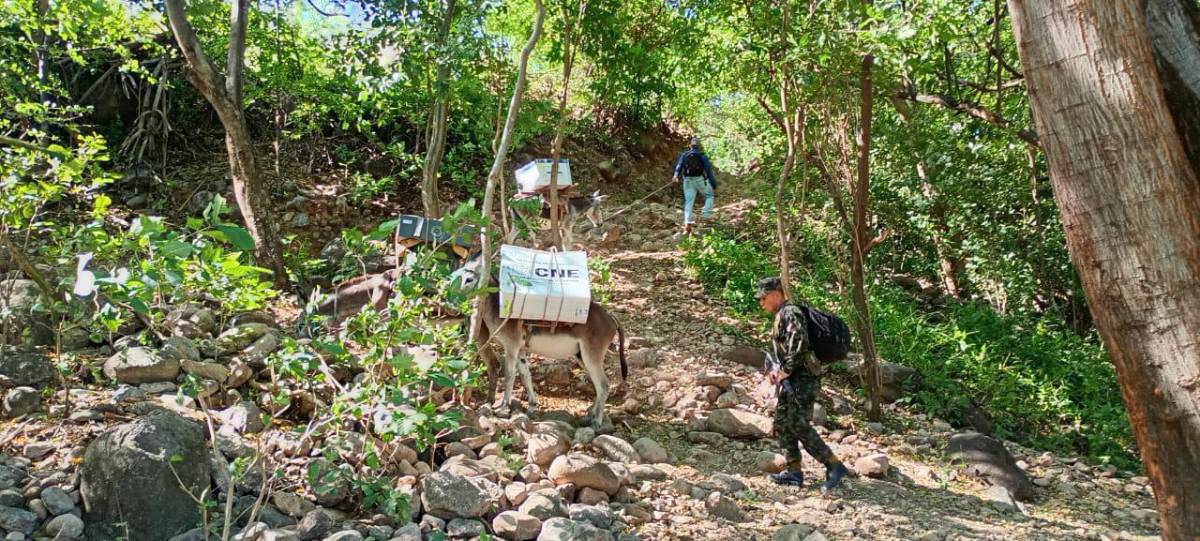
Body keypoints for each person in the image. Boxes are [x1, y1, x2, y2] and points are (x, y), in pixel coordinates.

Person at [756, 277, 849, 492]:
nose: (761, 302)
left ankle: (834, 466)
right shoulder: (782, 315)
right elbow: (786, 349)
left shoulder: (790, 312)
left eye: (763, 297)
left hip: (803, 378)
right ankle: (793, 471)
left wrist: (785, 370)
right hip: (792, 378)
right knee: (782, 422)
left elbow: (799, 343)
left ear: (776, 293)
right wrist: (777, 371)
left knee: (798, 424)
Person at [672, 136, 718, 235]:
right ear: (699, 146)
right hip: (699, 180)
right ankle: (706, 216)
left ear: (690, 146)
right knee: (709, 195)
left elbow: (679, 166)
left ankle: (687, 222)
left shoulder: (684, 155)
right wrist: (713, 184)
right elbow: (708, 172)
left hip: (687, 180)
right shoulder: (702, 156)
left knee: (689, 202)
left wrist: (675, 176)